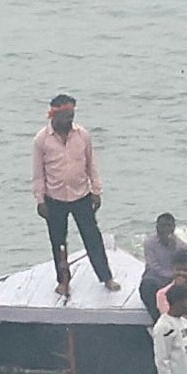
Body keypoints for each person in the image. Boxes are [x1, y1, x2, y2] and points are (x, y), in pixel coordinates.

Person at [39, 98, 120, 295]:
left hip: (81, 195)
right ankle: (63, 282)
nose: (70, 120)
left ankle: (106, 277)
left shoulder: (82, 135)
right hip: (55, 198)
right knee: (58, 242)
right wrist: (40, 200)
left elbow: (91, 165)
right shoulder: (41, 139)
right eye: (66, 116)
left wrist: (96, 191)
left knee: (92, 237)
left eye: (72, 116)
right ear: (54, 115)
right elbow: (38, 173)